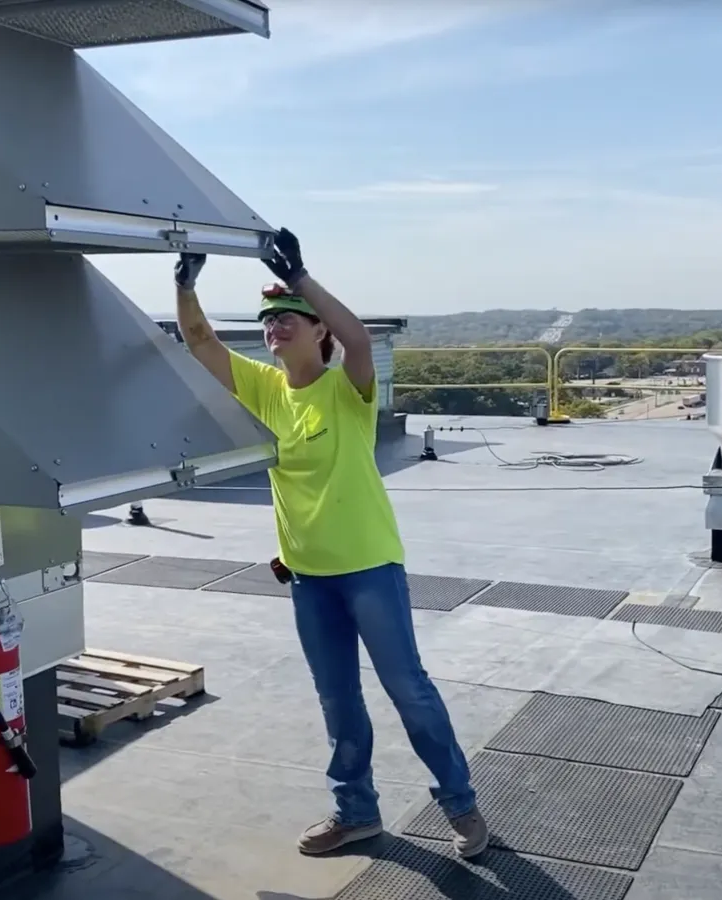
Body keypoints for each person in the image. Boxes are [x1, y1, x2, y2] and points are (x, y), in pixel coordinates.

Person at [173, 229, 489, 859]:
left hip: (370, 568)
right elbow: (202, 341)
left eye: (287, 318)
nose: (274, 328)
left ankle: (461, 805)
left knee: (408, 689)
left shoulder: (349, 389)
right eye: (267, 322)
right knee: (337, 697)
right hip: (310, 578)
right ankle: (356, 812)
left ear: (318, 330)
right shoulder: (265, 390)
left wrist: (300, 278)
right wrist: (184, 286)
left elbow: (361, 340)